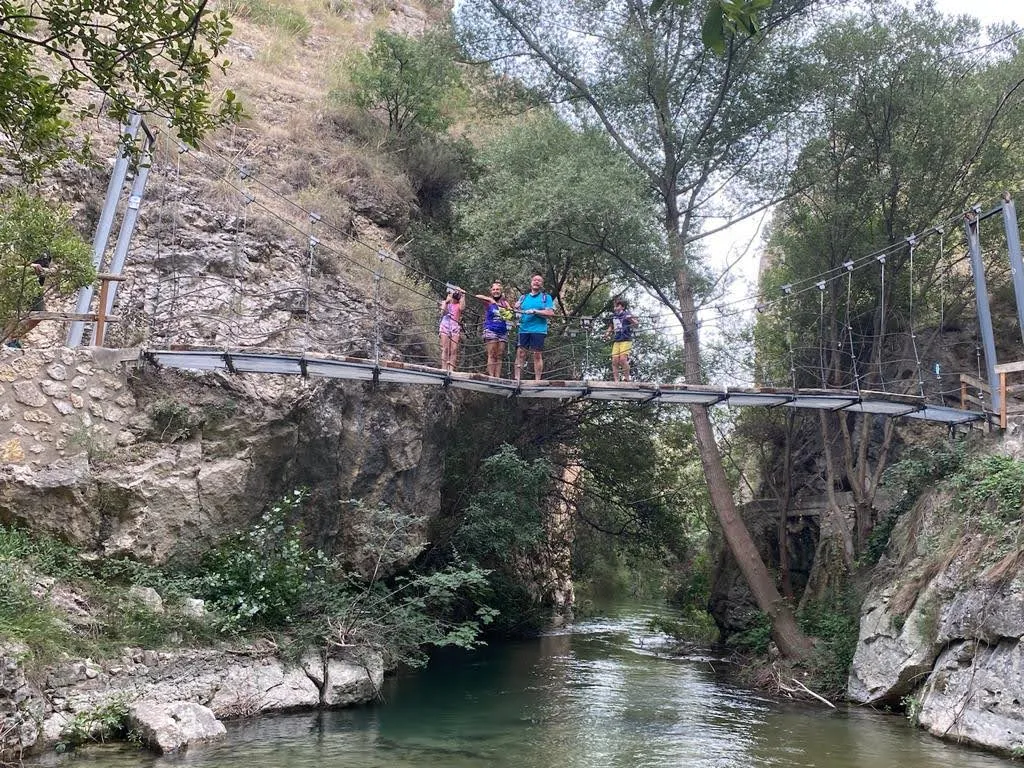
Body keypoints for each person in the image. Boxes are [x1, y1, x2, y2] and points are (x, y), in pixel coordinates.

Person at [5, 253, 54, 348]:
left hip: (35, 285)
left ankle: (13, 338)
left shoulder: (48, 245)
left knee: (39, 314)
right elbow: (11, 257)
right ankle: (9, 339)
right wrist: (31, 265)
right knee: (13, 313)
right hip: (22, 281)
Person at [514, 274, 556, 381]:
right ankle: (517, 378)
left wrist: (535, 311)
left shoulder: (546, 297)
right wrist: (516, 308)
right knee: (521, 353)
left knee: (537, 354)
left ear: (541, 284)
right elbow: (517, 314)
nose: (536, 282)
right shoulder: (523, 298)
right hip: (523, 329)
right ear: (531, 282)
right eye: (534, 280)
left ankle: (537, 380)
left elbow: (550, 313)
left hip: (539, 330)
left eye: (539, 281)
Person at [474, 281, 515, 378]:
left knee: (499, 355)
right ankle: (491, 376)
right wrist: (490, 300)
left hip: (502, 331)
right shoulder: (488, 302)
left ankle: (497, 376)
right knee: (492, 353)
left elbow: (511, 313)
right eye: (494, 289)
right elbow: (477, 296)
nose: (496, 291)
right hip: (491, 329)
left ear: (501, 291)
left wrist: (510, 310)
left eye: (498, 289)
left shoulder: (504, 303)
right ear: (491, 291)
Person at [604, 298, 638, 382]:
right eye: (615, 306)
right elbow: (611, 326)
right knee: (614, 360)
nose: (616, 308)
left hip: (626, 339)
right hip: (617, 340)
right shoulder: (614, 316)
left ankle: (626, 378)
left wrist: (630, 319)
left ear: (622, 307)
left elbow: (636, 324)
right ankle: (616, 380)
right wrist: (607, 334)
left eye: (618, 305)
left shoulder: (627, 314)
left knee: (623, 359)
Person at [438, 286, 466, 372]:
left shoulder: (458, 304)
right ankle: (444, 368)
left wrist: (463, 295)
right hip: (445, 324)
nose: (455, 294)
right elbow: (443, 312)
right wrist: (447, 301)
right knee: (445, 348)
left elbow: (462, 308)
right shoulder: (446, 302)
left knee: (453, 349)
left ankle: (451, 369)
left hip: (455, 325)